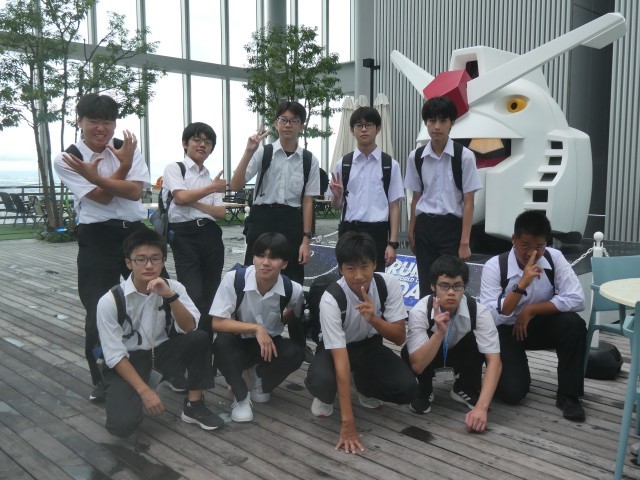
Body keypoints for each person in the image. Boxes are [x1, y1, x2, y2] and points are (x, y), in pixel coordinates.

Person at [54, 93, 151, 402]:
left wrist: (107, 173)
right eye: (93, 121)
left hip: (134, 233)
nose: (101, 128)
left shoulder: (127, 148)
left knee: (155, 294)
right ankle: (103, 378)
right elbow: (103, 197)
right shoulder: (69, 157)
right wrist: (123, 167)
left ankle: (157, 364)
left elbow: (134, 193)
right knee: (97, 307)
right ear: (79, 121)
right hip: (96, 237)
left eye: (107, 121)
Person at [96, 229, 223, 437]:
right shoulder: (110, 301)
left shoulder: (174, 287)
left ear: (163, 261)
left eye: (155, 259)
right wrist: (144, 391)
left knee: (199, 338)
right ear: (128, 263)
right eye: (141, 259)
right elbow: (114, 355)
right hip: (129, 361)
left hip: (161, 352)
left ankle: (194, 405)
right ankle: (117, 387)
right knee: (121, 426)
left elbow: (190, 327)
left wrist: (170, 296)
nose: (149, 265)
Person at [305, 231, 418, 454]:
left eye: (365, 266)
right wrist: (348, 423)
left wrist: (373, 319)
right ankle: (326, 395)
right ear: (340, 269)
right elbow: (341, 360)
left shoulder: (388, 284)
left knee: (407, 389)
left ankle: (364, 386)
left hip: (369, 346)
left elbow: (399, 337)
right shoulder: (331, 299)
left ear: (375, 264)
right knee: (321, 381)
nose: (359, 276)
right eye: (350, 268)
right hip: (336, 350)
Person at [479, 210, 586, 421]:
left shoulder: (554, 258)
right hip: (505, 330)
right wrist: (521, 285)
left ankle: (569, 396)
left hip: (535, 326)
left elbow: (577, 298)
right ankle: (499, 373)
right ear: (514, 239)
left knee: (573, 324)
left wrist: (531, 310)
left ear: (546, 244)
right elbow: (491, 315)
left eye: (539, 246)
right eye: (525, 245)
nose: (531, 253)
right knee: (513, 393)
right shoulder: (495, 266)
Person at [210, 232, 305, 423]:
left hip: (268, 346)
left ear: (284, 264)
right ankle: (241, 398)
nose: (265, 262)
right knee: (221, 344)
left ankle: (259, 381)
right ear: (253, 258)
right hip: (237, 342)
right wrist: (256, 328)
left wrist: (278, 323)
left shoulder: (293, 289)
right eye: (260, 255)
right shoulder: (234, 280)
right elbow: (216, 322)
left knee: (296, 353)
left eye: (274, 257)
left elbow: (295, 311)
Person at [402, 255, 501, 432]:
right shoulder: (420, 311)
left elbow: (494, 361)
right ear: (433, 286)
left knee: (480, 343)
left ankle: (465, 388)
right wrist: (439, 332)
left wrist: (481, 408)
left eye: (457, 286)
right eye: (444, 286)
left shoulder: (478, 311)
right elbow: (417, 365)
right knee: (408, 351)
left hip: (459, 356)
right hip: (430, 359)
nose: (451, 292)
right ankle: (424, 390)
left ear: (464, 287)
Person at [229, 100, 320, 286]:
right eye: (283, 120)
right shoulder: (263, 152)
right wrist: (248, 151)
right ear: (276, 124)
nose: (288, 125)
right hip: (262, 220)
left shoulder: (309, 160)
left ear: (302, 126)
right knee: (254, 275)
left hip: (291, 222)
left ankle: (289, 306)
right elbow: (235, 185)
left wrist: (306, 240)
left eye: (294, 121)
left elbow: (308, 201)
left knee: (291, 278)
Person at [403, 96, 482, 298]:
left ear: (452, 123)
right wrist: (411, 231)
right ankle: (428, 318)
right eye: (432, 120)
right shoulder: (416, 157)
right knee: (426, 285)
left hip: (452, 228)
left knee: (450, 286)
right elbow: (416, 197)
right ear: (426, 123)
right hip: (424, 227)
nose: (437, 126)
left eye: (443, 120)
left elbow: (469, 202)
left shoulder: (464, 156)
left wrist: (465, 241)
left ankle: (451, 319)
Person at [162, 122, 226, 337]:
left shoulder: (209, 176)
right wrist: (211, 189)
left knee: (212, 291)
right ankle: (190, 338)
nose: (202, 145)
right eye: (197, 140)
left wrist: (195, 202)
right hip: (184, 235)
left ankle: (206, 340)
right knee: (192, 290)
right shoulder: (175, 168)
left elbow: (221, 213)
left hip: (210, 234)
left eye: (207, 142)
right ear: (185, 143)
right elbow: (180, 197)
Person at [328, 106, 404, 272]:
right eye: (359, 125)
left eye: (368, 125)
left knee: (375, 279)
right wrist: (338, 196)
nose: (363, 129)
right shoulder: (343, 164)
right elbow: (336, 206)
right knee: (347, 279)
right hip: (349, 231)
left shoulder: (390, 165)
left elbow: (394, 206)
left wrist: (392, 244)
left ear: (378, 129)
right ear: (352, 130)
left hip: (377, 232)